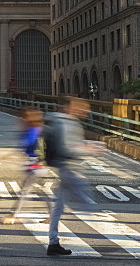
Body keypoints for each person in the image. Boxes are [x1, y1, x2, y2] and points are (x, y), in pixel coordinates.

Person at [44, 97, 102, 256]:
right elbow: (68, 148)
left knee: (58, 207)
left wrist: (85, 146)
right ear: (71, 108)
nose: (85, 112)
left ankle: (53, 242)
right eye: (82, 108)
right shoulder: (68, 124)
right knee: (87, 201)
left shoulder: (60, 121)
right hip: (68, 167)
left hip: (64, 166)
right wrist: (89, 149)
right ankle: (101, 232)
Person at [2, 108, 48, 224]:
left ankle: (13, 215)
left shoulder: (31, 131)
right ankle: (53, 214)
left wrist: (10, 155)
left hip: (33, 167)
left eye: (23, 118)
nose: (20, 120)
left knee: (24, 192)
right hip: (39, 166)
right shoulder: (37, 129)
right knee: (42, 191)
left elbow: (25, 147)